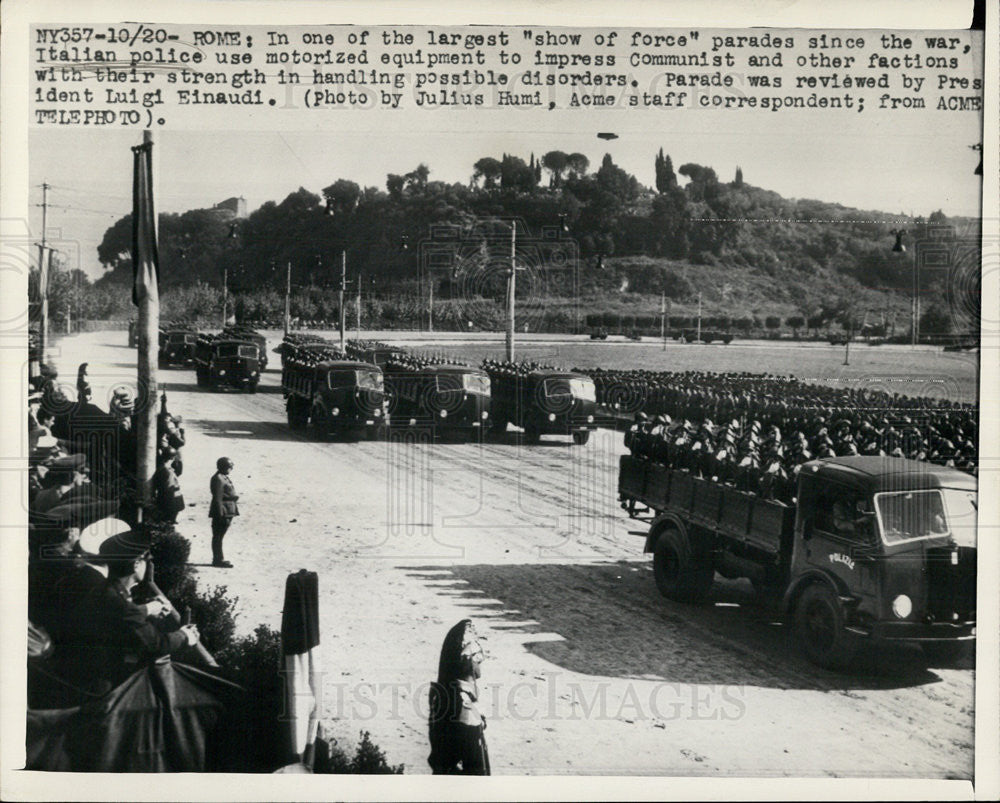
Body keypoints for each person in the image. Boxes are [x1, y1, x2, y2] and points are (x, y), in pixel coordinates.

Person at [428, 619, 490, 775]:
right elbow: (473, 763)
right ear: (466, 661)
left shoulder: (453, 695)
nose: (481, 662)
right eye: (478, 658)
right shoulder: (462, 704)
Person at [209, 457, 239, 568]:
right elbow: (218, 498)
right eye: (230, 467)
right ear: (224, 467)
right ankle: (218, 559)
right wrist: (220, 513)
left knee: (220, 536)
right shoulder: (218, 479)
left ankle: (219, 558)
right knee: (218, 536)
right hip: (223, 511)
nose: (231, 469)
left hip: (228, 509)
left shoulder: (223, 477)